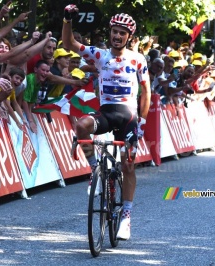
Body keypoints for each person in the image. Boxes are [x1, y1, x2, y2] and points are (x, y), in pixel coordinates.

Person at [62, 5, 151, 240]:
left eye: (123, 33)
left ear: (129, 37)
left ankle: (127, 217)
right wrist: (67, 19)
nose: (118, 36)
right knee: (81, 126)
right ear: (110, 32)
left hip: (129, 116)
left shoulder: (138, 59)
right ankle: (94, 169)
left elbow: (147, 93)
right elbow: (69, 44)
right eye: (115, 31)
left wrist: (142, 122)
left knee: (128, 163)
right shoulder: (100, 55)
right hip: (106, 112)